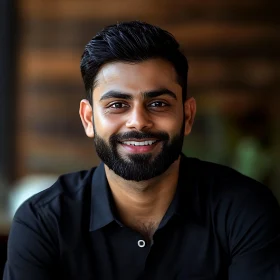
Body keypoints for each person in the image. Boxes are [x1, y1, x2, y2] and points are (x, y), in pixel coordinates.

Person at [3, 21, 280, 280]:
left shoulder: (245, 209)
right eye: (117, 105)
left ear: (188, 116)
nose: (138, 121)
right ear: (89, 119)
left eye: (158, 104)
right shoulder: (43, 222)